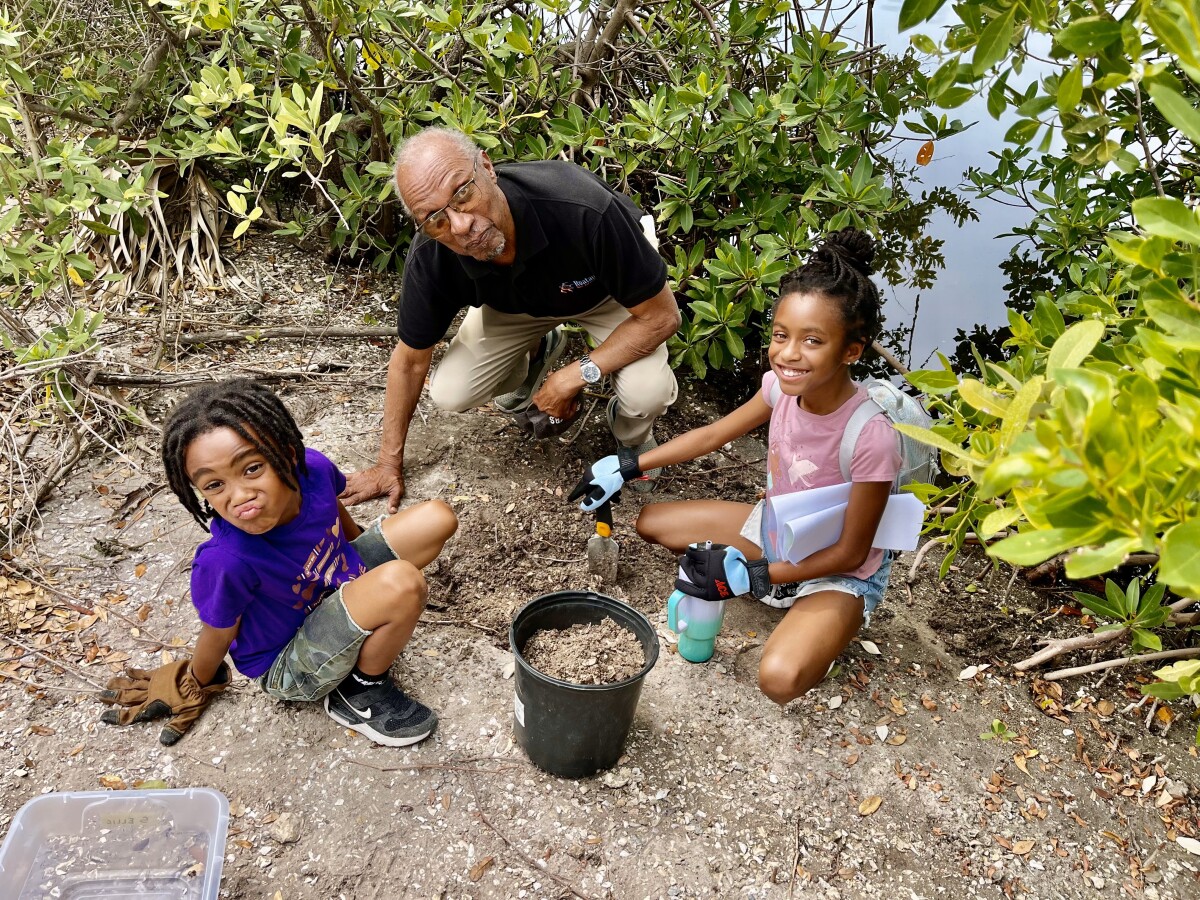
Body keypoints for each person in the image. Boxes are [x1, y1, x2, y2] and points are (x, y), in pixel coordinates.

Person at [570, 229, 900, 705]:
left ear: (851, 350)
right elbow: (711, 436)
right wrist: (626, 465)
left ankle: (825, 624)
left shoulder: (871, 436)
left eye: (813, 341)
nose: (789, 354)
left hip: (837, 570)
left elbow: (852, 552)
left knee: (779, 679)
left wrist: (755, 576)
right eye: (781, 335)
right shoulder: (778, 388)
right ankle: (781, 593)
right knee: (651, 523)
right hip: (779, 531)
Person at [98, 379, 458, 747]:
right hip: (291, 663)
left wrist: (365, 574)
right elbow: (218, 633)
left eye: (252, 468)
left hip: (334, 588)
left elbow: (332, 511)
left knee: (437, 518)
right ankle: (359, 690)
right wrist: (193, 684)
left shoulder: (313, 469)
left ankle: (372, 613)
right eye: (214, 485)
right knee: (402, 582)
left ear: (287, 455)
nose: (239, 496)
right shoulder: (226, 561)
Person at [340, 127, 681, 512]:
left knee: (646, 393)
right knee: (451, 392)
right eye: (434, 218)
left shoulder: (583, 209)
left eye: (463, 194)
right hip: (517, 305)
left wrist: (572, 376)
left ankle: (632, 437)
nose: (459, 226)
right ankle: (539, 349)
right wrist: (387, 464)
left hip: (610, 293)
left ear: (486, 167)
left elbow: (662, 318)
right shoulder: (432, 256)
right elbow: (409, 360)